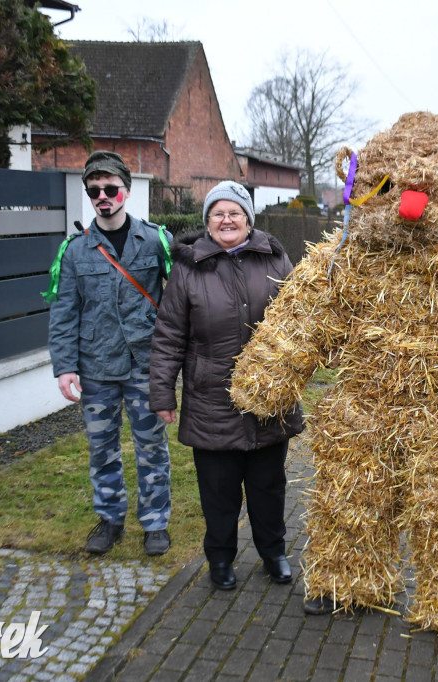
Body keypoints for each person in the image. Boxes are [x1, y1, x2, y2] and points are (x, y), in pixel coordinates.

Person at [149, 181, 303, 591]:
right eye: (217, 213)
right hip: (210, 400)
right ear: (207, 222)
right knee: (218, 492)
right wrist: (163, 393)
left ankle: (274, 553)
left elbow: (301, 317)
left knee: (268, 486)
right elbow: (168, 336)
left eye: (235, 212)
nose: (226, 219)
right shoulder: (188, 268)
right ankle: (220, 558)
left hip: (268, 400)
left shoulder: (274, 257)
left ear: (249, 219)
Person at [47, 151, 172, 556]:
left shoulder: (155, 241)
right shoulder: (76, 251)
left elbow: (179, 302)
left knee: (151, 446)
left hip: (145, 365)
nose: (103, 196)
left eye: (111, 188)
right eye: (95, 189)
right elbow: (64, 312)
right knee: (102, 449)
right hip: (97, 368)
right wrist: (64, 367)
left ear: (126, 191)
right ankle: (110, 518)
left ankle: (155, 523)